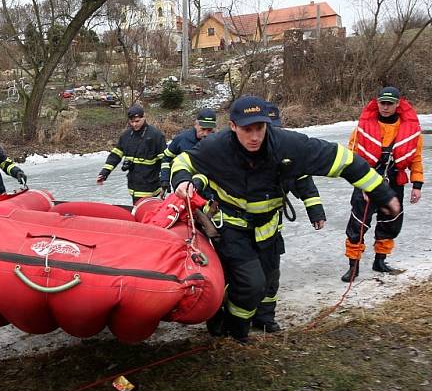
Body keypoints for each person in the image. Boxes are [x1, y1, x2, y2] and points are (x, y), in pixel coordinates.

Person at [171, 95, 400, 343]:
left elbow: (343, 161)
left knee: (269, 281)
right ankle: (235, 330)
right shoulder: (216, 146)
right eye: (247, 130)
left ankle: (262, 318)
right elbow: (183, 161)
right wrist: (182, 180)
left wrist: (384, 194)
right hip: (233, 229)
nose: (255, 137)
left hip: (268, 228)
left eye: (260, 128)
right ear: (233, 126)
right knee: (251, 283)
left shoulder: (287, 145)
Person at [252, 103, 326, 333]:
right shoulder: (239, 154)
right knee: (239, 277)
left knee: (270, 275)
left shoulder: (288, 155)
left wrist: (316, 211)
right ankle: (234, 319)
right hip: (238, 231)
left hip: (271, 229)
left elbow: (304, 183)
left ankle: (264, 318)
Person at [341, 86, 424, 282]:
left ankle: (380, 260)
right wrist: (358, 182)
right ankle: (354, 266)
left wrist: (417, 185)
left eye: (390, 104)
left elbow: (416, 158)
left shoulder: (410, 130)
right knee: (358, 222)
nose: (385, 107)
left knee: (390, 222)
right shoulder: (362, 128)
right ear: (377, 103)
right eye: (382, 103)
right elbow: (352, 155)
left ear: (398, 104)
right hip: (367, 179)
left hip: (395, 181)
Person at [96, 104, 167, 202]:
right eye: (131, 122)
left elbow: (165, 160)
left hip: (151, 186)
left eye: (137, 121)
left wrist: (165, 182)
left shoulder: (155, 135)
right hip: (133, 186)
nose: (134, 124)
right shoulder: (126, 136)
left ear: (144, 118)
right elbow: (115, 155)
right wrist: (104, 173)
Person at [161, 108, 217, 191]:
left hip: (208, 191)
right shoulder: (181, 139)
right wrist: (165, 180)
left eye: (209, 130)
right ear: (196, 125)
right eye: (203, 129)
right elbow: (166, 158)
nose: (206, 134)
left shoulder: (218, 142)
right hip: (184, 188)